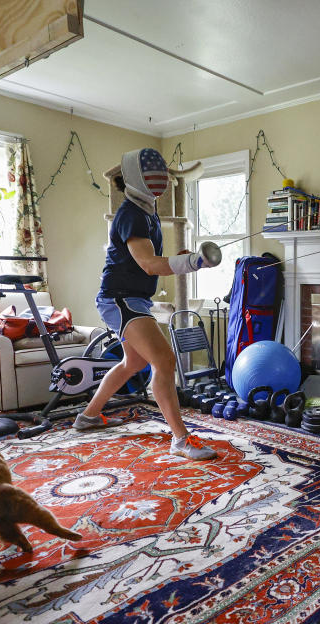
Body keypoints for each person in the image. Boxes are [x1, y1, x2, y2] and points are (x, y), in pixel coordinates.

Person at [73, 148, 222, 462]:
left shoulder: (147, 212)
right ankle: (180, 440)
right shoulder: (130, 214)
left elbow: (154, 260)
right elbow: (149, 264)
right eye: (152, 173)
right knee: (165, 361)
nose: (160, 179)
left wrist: (187, 259)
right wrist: (189, 262)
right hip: (120, 299)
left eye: (161, 172)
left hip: (132, 299)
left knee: (135, 363)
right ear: (136, 177)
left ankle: (88, 416)